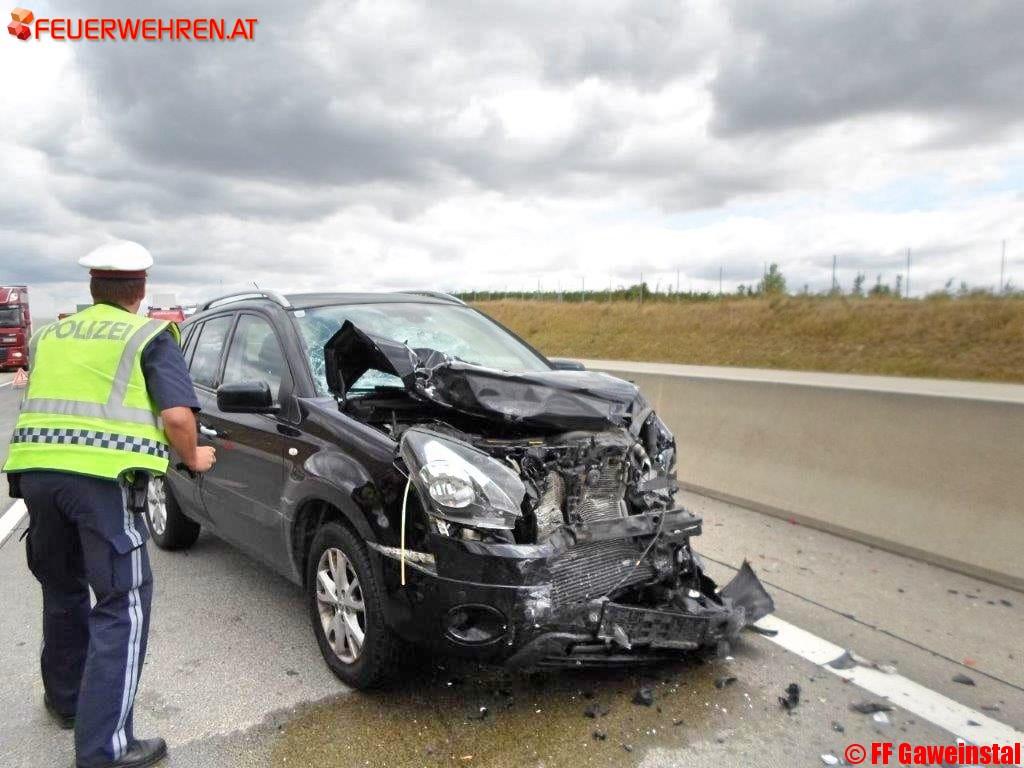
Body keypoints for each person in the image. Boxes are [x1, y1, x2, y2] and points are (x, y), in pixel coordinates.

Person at [3, 241, 216, 768]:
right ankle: (106, 749)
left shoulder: (49, 335)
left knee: (62, 585)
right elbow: (178, 419)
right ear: (140, 291)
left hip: (34, 476)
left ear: (92, 288)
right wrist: (194, 458)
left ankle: (66, 702)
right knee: (124, 600)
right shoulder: (148, 334)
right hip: (99, 481)